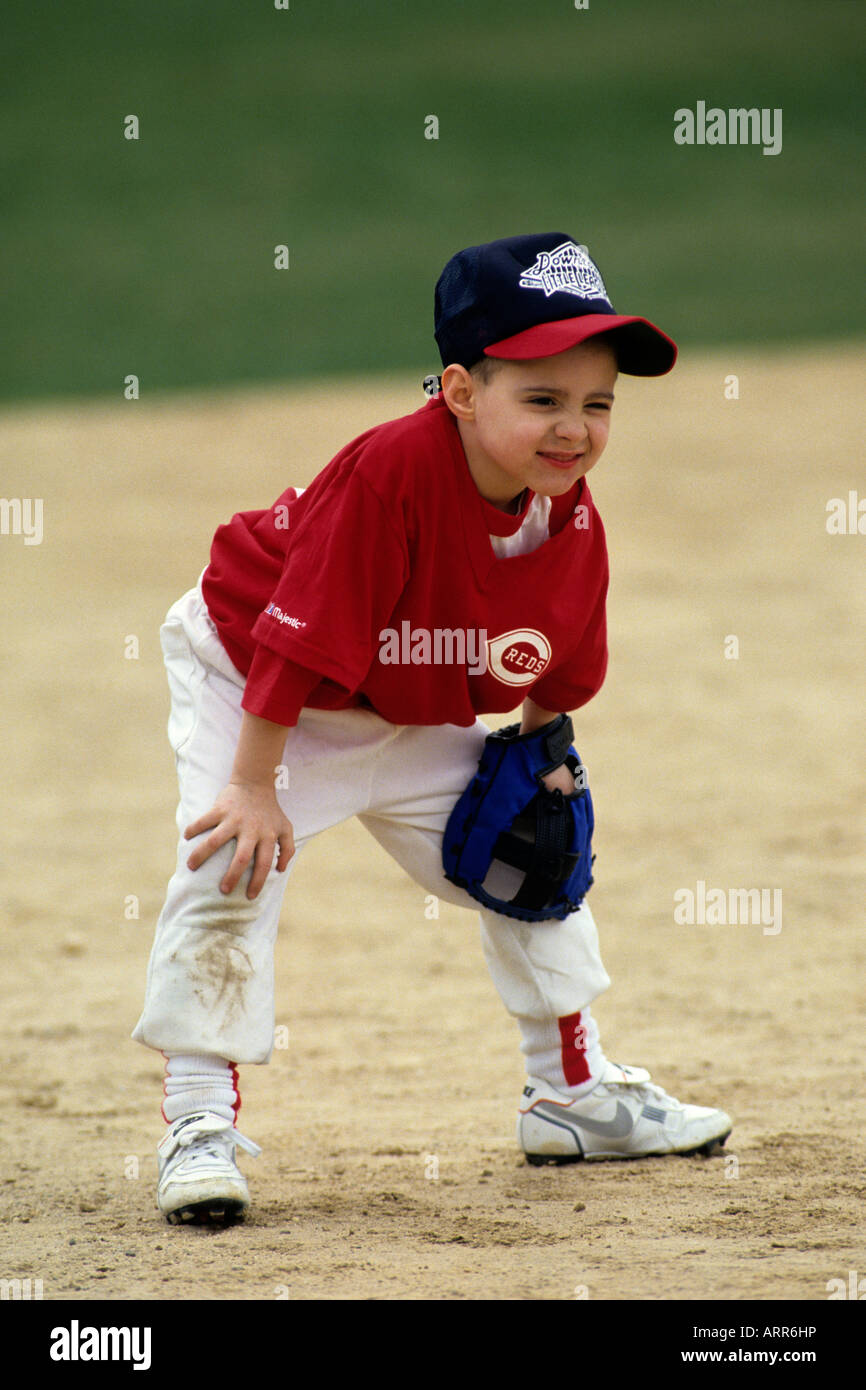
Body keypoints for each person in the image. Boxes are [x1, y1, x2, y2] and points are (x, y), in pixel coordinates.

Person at [133, 233, 732, 1225]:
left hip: (399, 702)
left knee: (530, 855)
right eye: (540, 399)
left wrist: (542, 761)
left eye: (595, 403)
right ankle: (196, 1121)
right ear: (459, 389)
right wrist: (249, 785)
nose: (572, 429)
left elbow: (561, 660)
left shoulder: (568, 516)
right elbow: (300, 633)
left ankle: (568, 1094)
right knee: (229, 864)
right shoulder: (391, 473)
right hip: (257, 682)